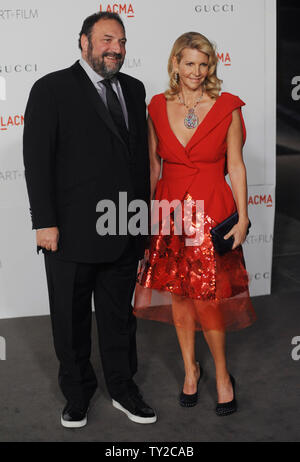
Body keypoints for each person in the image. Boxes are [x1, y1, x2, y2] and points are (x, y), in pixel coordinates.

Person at [23, 11, 157, 427]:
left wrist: (141, 221)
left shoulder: (134, 89)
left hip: (122, 227)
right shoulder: (51, 88)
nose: (116, 48)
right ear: (84, 42)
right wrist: (44, 222)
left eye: (121, 41)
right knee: (70, 318)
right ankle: (77, 394)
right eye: (106, 40)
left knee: (119, 319)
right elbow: (37, 160)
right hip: (69, 233)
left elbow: (137, 162)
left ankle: (122, 388)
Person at [134, 32, 257, 416]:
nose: (196, 72)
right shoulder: (155, 106)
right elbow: (154, 166)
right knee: (181, 296)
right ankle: (191, 370)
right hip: (169, 212)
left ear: (212, 67)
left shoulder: (227, 107)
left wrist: (245, 214)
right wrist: (143, 219)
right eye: (189, 63)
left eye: (204, 65)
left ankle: (222, 375)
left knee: (209, 300)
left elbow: (235, 165)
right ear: (175, 64)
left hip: (212, 210)